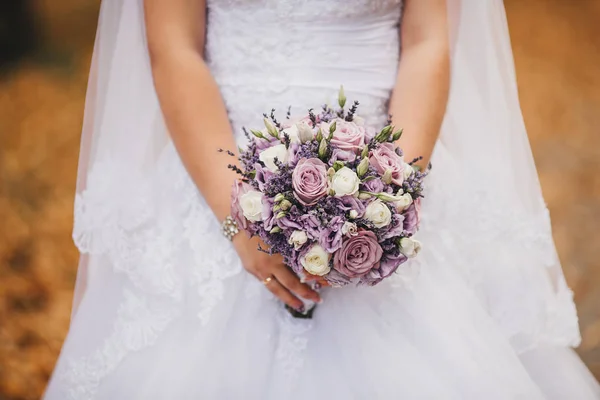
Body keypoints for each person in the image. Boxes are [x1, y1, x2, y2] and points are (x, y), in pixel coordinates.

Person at [44, 0, 600, 399]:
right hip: (219, 171)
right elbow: (173, 48)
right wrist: (238, 221)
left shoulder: (391, 190)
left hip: (390, 163)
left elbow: (428, 40)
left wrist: (391, 194)